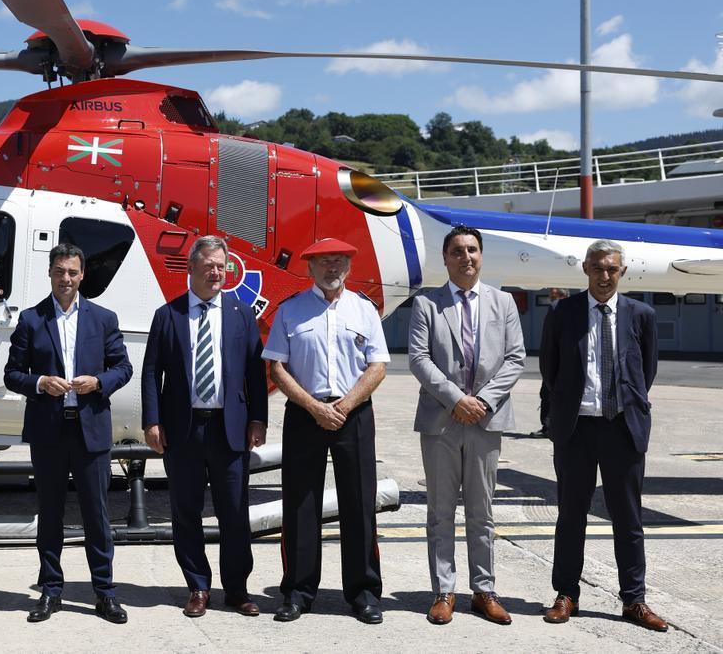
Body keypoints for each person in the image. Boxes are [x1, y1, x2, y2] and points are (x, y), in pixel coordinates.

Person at [539, 239, 667, 632]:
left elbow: (646, 372)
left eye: (612, 269)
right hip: (577, 429)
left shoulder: (641, 314)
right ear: (586, 269)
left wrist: (627, 407)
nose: (605, 275)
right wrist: (553, 421)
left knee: (628, 519)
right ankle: (566, 594)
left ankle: (634, 600)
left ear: (622, 272)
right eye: (597, 267)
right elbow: (550, 369)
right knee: (570, 516)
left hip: (621, 428)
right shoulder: (564, 312)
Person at [4, 244, 133, 625]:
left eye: (73, 272)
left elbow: (123, 367)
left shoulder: (103, 318)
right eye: (60, 271)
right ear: (50, 273)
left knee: (97, 514)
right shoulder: (31, 319)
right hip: (50, 432)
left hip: (90, 430)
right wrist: (41, 382)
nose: (66, 279)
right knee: (51, 515)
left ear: (82, 276)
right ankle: (51, 590)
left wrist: (99, 381)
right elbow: (12, 373)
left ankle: (105, 593)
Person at [262, 238, 388, 625]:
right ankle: (297, 592)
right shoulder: (291, 311)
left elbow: (378, 365)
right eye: (324, 263)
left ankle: (363, 593)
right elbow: (277, 367)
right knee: (300, 505)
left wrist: (345, 406)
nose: (332, 268)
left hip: (354, 413)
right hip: (305, 413)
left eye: (339, 262)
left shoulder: (364, 310)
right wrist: (315, 407)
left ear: (348, 267)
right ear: (310, 268)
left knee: (359, 504)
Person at [141, 235, 267, 619]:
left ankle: (236, 589)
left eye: (221, 266)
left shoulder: (241, 313)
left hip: (230, 429)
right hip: (184, 429)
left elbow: (254, 372)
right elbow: (150, 373)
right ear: (192, 268)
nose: (216, 272)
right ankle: (197, 586)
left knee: (234, 512)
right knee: (186, 511)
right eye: (209, 265)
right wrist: (152, 421)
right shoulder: (169, 315)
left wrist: (258, 418)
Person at [407, 225, 525, 626]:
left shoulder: (504, 302)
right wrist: (457, 400)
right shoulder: (427, 304)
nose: (466, 257)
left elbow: (515, 358)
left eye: (472, 250)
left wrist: (483, 402)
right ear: (446, 258)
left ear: (481, 255)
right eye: (457, 251)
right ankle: (444, 591)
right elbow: (419, 359)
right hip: (441, 420)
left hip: (486, 421)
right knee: (441, 511)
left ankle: (484, 590)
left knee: (482, 510)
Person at [532, 288, 571, 439]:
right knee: (545, 395)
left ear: (563, 296)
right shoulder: (554, 311)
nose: (550, 299)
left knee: (553, 395)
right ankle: (547, 426)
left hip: (562, 364)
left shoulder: (566, 312)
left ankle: (551, 427)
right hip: (552, 362)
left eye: (553, 296)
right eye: (550, 296)